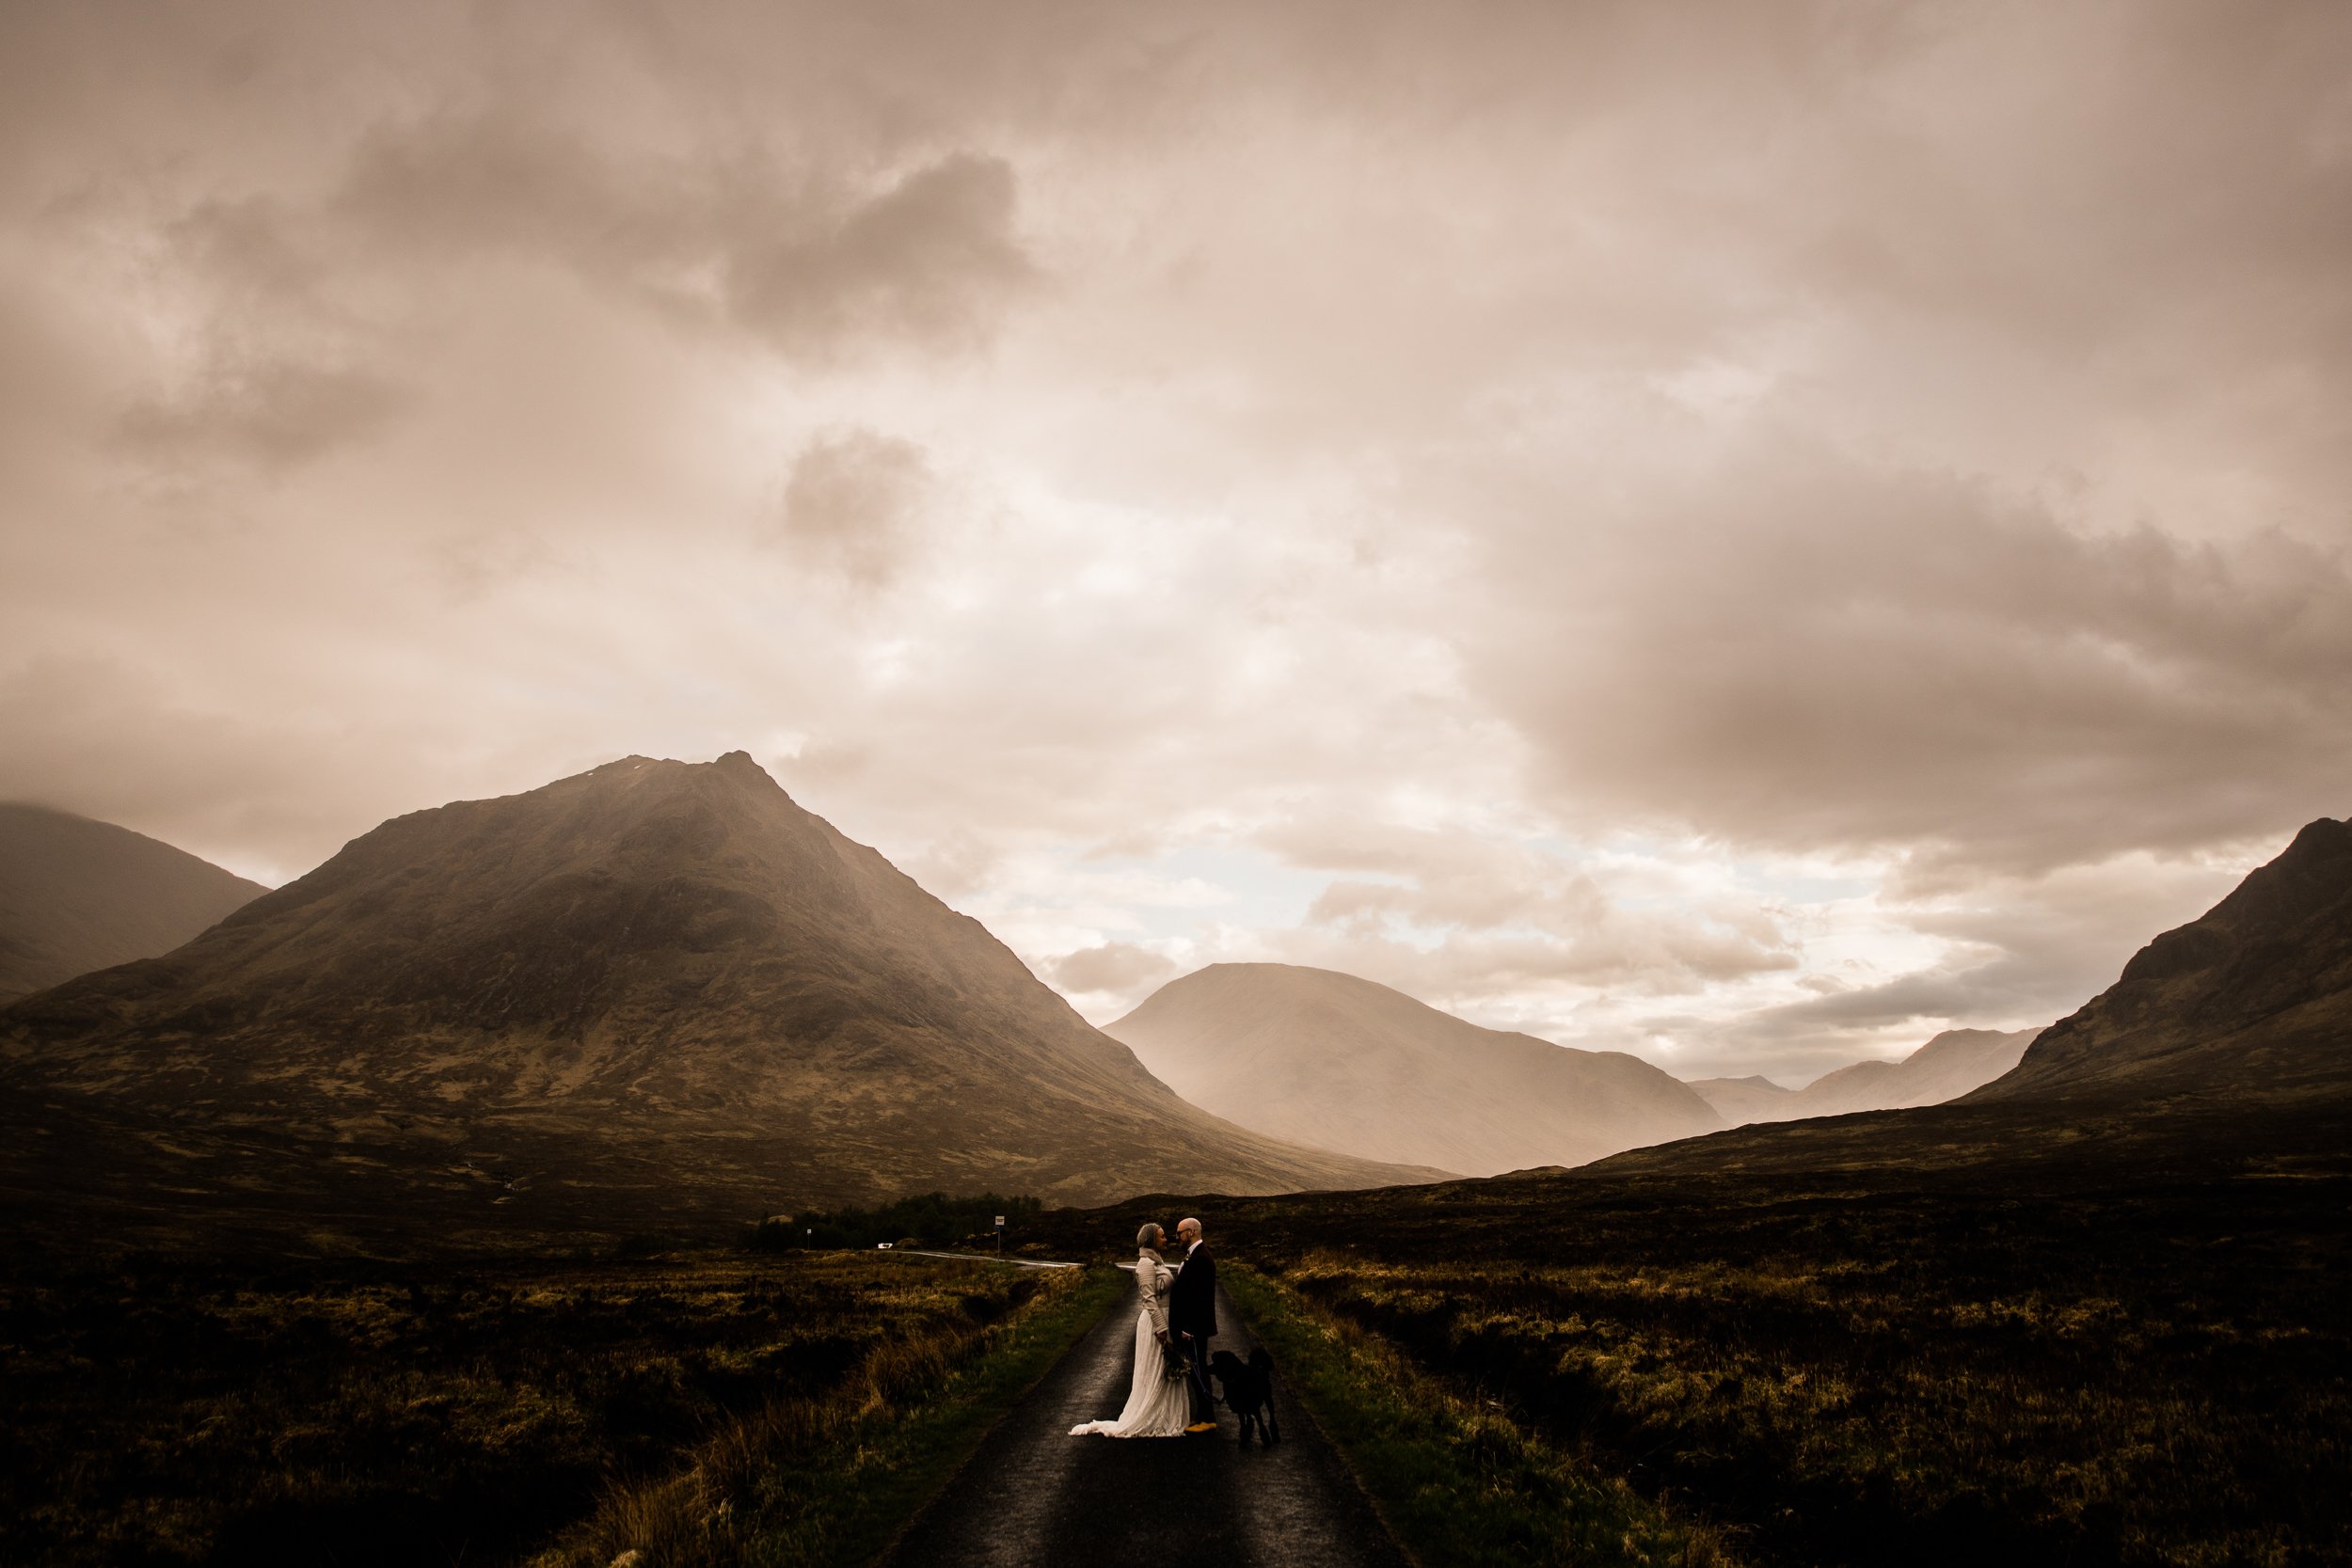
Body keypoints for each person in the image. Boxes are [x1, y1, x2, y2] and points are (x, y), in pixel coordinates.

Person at [1069, 1223, 1193, 1437]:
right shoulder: (1145, 1264)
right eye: (1162, 1237)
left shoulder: (1157, 1261)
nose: (1167, 1239)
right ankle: (1151, 1415)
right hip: (1156, 1324)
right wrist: (1161, 1329)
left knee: (1165, 1370)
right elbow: (1148, 1299)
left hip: (1165, 1321)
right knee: (1156, 1369)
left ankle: (1166, 1414)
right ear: (1152, 1240)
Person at [1168, 1215, 1218, 1433]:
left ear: (1192, 1232)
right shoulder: (1194, 1256)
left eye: (1179, 1233)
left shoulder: (1201, 1259)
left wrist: (1188, 1328)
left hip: (1194, 1329)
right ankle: (1201, 1417)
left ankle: (1207, 1419)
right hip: (1191, 1328)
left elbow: (1199, 1298)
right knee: (1195, 1370)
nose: (1177, 1237)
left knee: (1199, 1371)